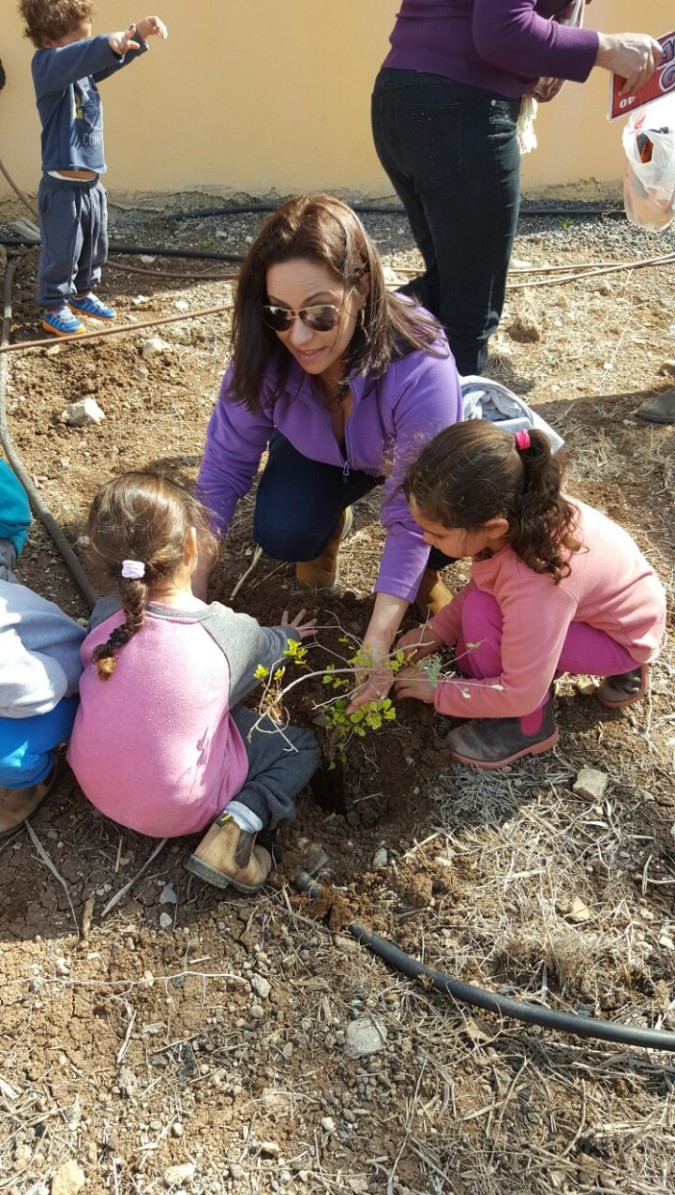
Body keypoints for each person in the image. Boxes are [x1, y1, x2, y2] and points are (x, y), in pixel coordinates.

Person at [195, 194, 464, 708]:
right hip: (319, 452)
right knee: (283, 530)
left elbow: (412, 511)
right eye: (279, 312)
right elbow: (223, 470)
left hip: (402, 458)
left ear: (360, 289)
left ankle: (423, 575)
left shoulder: (421, 363)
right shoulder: (265, 353)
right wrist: (187, 594)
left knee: (451, 522)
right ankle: (326, 532)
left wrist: (378, 639)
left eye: (320, 313)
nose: (298, 335)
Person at [371, 1, 664, 375]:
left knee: (450, 287)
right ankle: (446, 424)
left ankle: (335, 345)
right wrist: (606, 48)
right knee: (468, 313)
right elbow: (502, 30)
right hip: (459, 109)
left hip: (406, 96)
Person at [67, 471, 320, 893]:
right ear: (190, 544)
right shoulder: (225, 631)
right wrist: (291, 636)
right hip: (178, 812)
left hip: (92, 781)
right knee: (300, 747)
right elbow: (271, 649)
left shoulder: (104, 617)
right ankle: (238, 827)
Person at [392, 423, 666, 769]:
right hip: (623, 612)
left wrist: (439, 691)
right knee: (473, 636)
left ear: (493, 527)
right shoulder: (524, 510)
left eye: (437, 534)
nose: (427, 541)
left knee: (480, 627)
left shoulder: (536, 579)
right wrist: (437, 631)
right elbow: (485, 582)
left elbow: (520, 690)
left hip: (621, 637)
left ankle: (528, 724)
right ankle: (624, 663)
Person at [18, 1, 167, 337]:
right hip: (62, 186)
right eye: (78, 40)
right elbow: (84, 55)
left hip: (90, 181)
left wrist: (137, 33)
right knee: (62, 250)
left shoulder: (81, 70)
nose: (85, 49)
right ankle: (55, 305)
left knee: (93, 244)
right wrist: (102, 43)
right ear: (50, 39)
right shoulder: (47, 67)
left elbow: (103, 60)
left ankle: (81, 293)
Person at [0, 461, 84, 836]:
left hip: (62, 681)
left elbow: (45, 685)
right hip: (22, 676)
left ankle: (32, 775)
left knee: (8, 759)